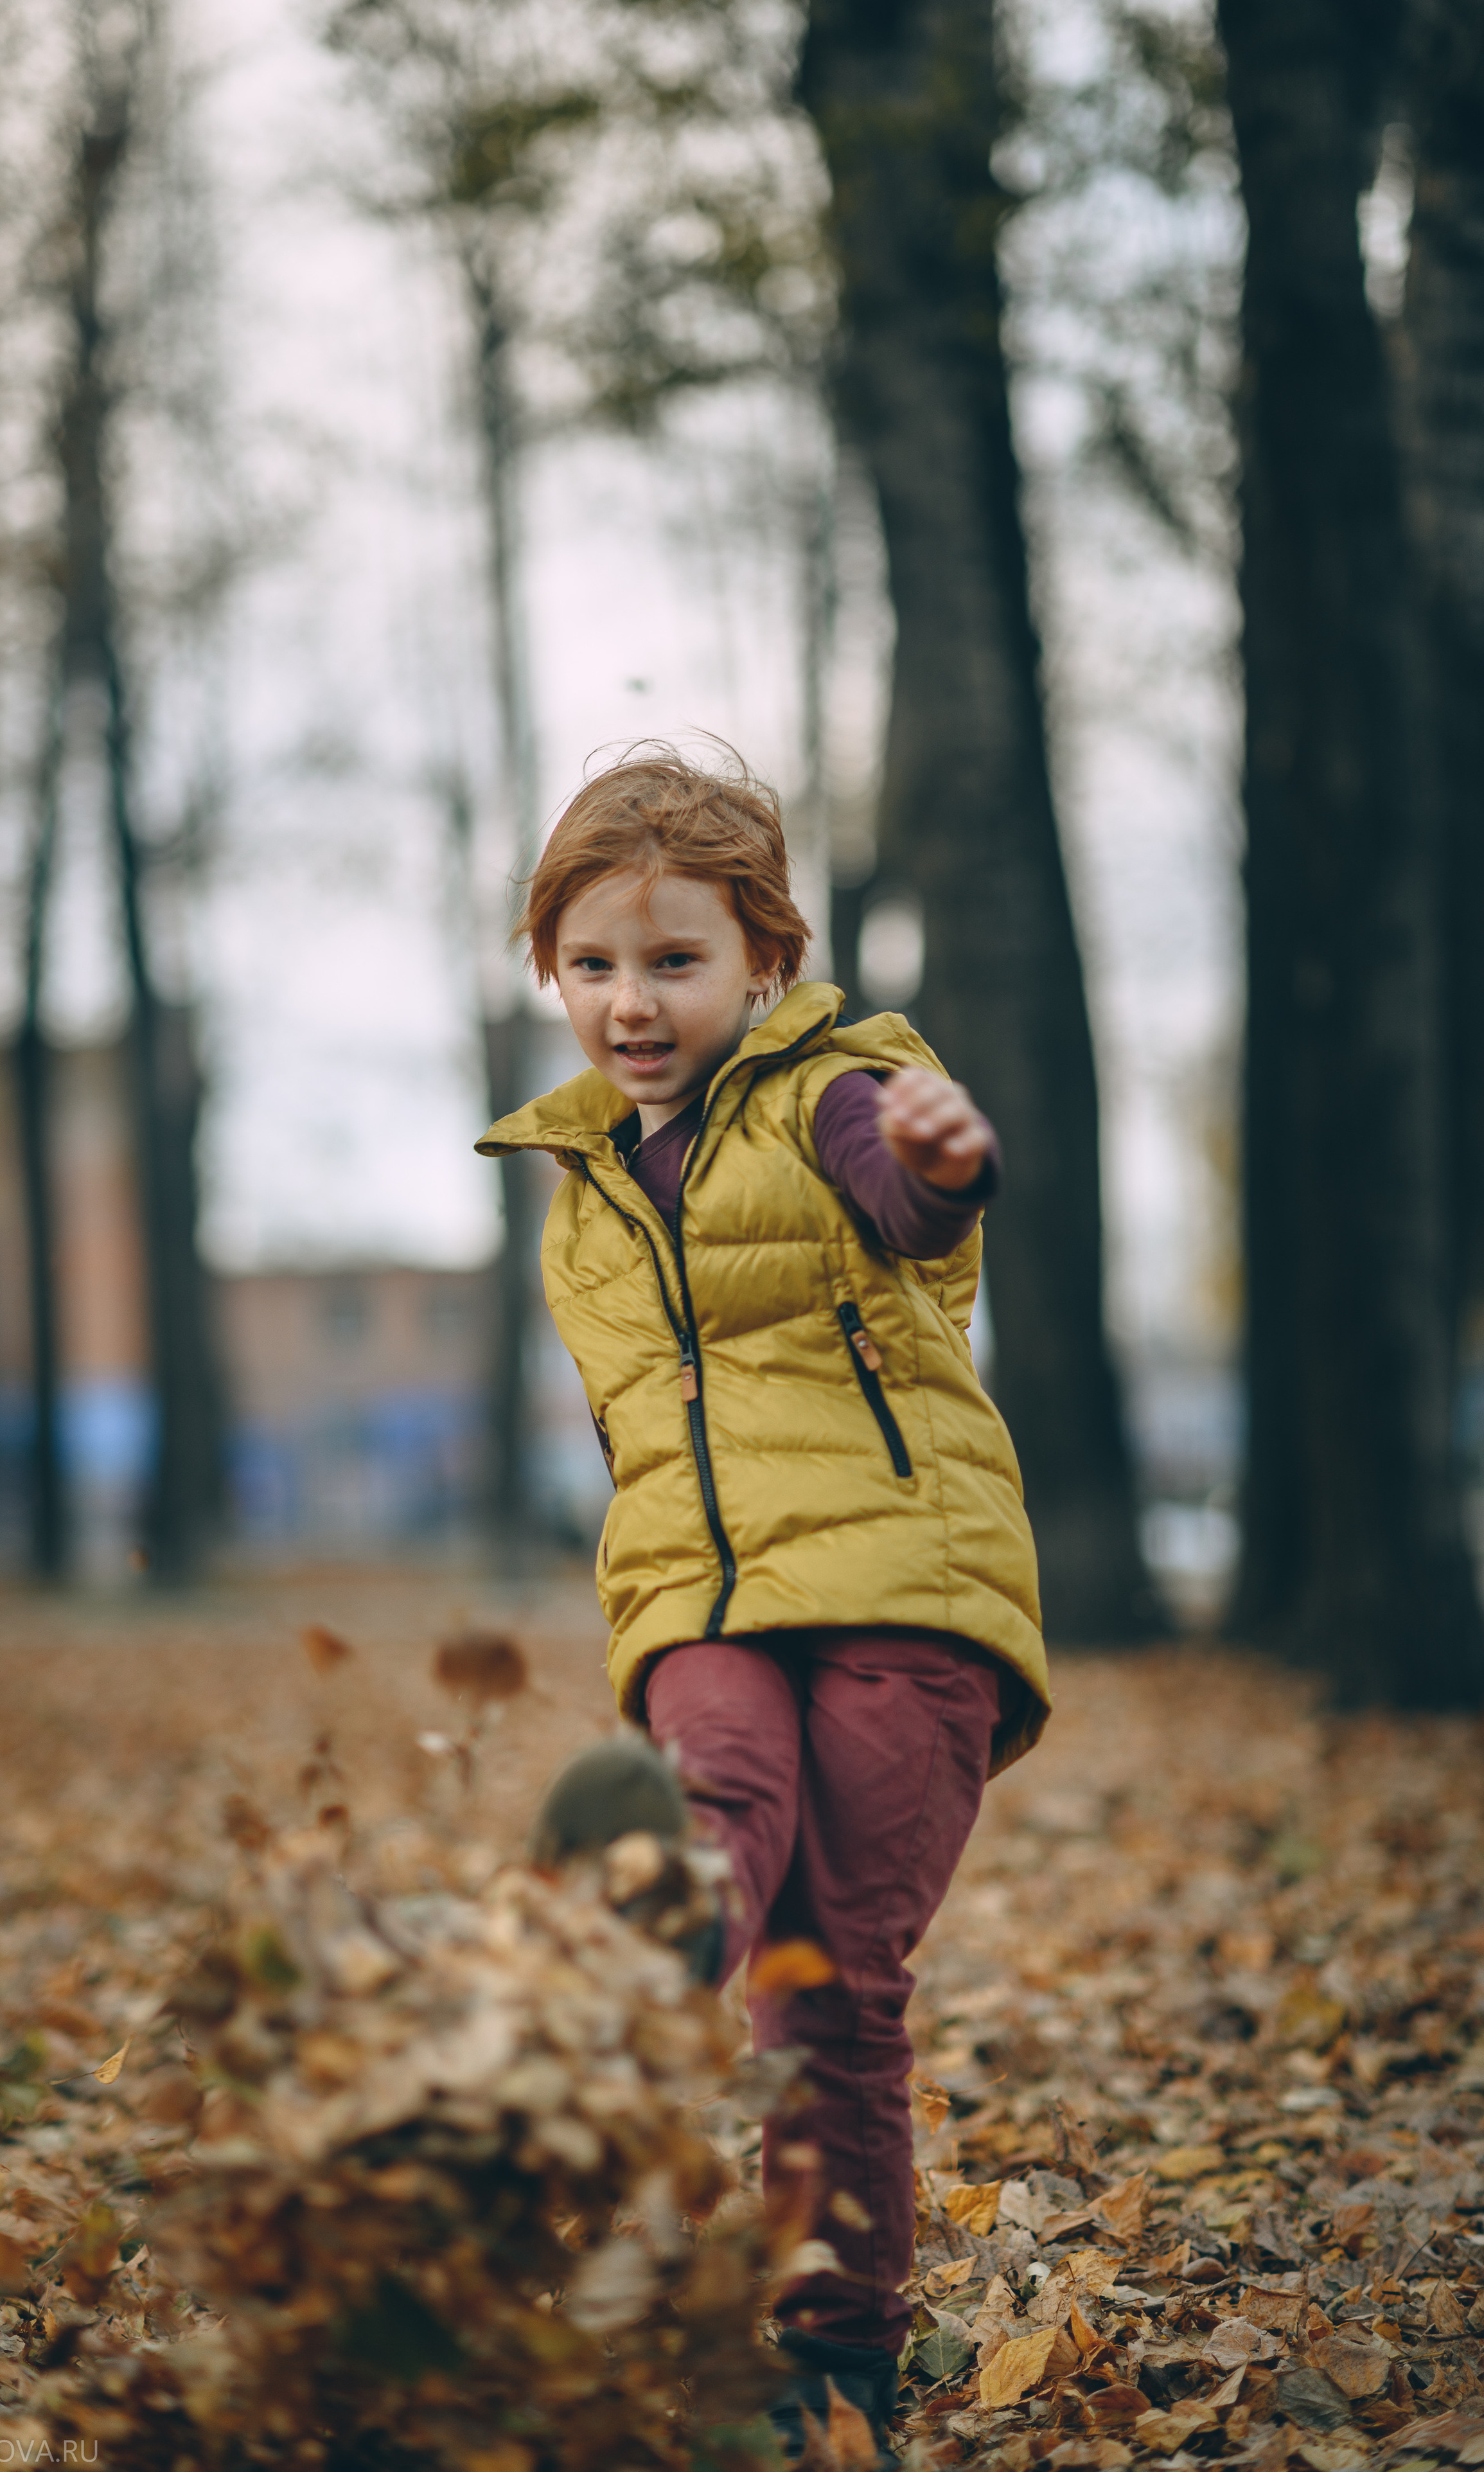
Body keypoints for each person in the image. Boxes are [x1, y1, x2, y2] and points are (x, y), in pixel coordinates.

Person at [477, 748, 1049, 2466]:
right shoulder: (581, 1195)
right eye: (594, 965)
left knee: (839, 1994)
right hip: (705, 1603)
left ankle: (841, 2357)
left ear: (769, 965)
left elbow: (899, 1188)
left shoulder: (839, 1088)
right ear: (549, 974)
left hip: (900, 1590)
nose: (632, 1005)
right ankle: (647, 1941)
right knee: (715, 1797)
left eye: (675, 962)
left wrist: (940, 1162)